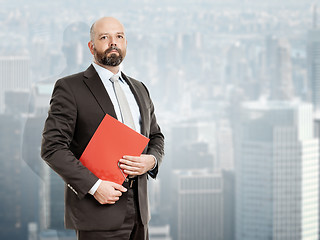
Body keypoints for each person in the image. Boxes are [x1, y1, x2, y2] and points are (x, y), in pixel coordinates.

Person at [41, 16, 164, 240]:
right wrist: (94, 186)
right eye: (104, 37)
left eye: (119, 37)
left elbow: (156, 137)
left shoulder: (140, 88)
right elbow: (52, 148)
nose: (113, 42)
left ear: (126, 43)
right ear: (91, 46)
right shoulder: (70, 88)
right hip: (97, 212)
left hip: (140, 213)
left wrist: (152, 161)